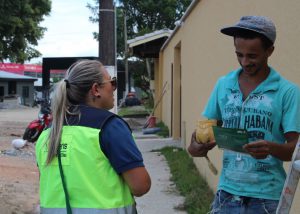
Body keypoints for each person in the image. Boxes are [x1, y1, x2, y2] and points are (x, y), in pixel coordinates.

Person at [188, 16, 300, 214]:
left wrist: (271, 148)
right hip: (227, 195)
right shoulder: (224, 85)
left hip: (267, 198)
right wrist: (197, 145)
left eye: (252, 56)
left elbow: (296, 150)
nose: (244, 62)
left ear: (270, 51)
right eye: (239, 54)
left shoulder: (288, 92)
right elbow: (204, 128)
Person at [35, 59, 151, 213]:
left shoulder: (48, 133)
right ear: (96, 89)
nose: (114, 88)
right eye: (112, 82)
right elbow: (140, 186)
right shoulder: (110, 126)